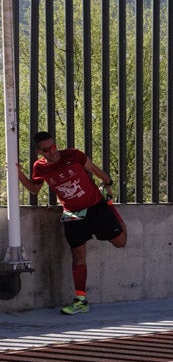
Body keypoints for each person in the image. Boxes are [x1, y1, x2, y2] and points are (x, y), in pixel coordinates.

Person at [16, 131, 127, 314]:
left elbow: (94, 169)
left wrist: (108, 182)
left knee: (120, 243)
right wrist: (18, 174)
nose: (52, 151)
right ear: (39, 151)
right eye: (46, 150)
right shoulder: (40, 167)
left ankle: (111, 208)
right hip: (72, 212)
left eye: (53, 146)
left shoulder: (73, 155)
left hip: (95, 206)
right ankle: (80, 300)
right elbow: (35, 189)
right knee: (77, 255)